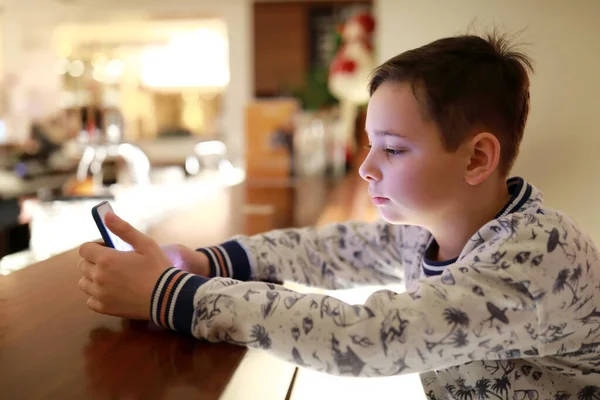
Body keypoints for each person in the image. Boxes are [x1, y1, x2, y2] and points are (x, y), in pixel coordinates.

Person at [77, 31, 600, 399]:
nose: (368, 167)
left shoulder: (537, 256)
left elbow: (367, 336)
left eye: (393, 149)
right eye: (370, 144)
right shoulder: (439, 229)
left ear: (477, 158)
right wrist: (209, 262)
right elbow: (334, 248)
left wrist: (170, 296)